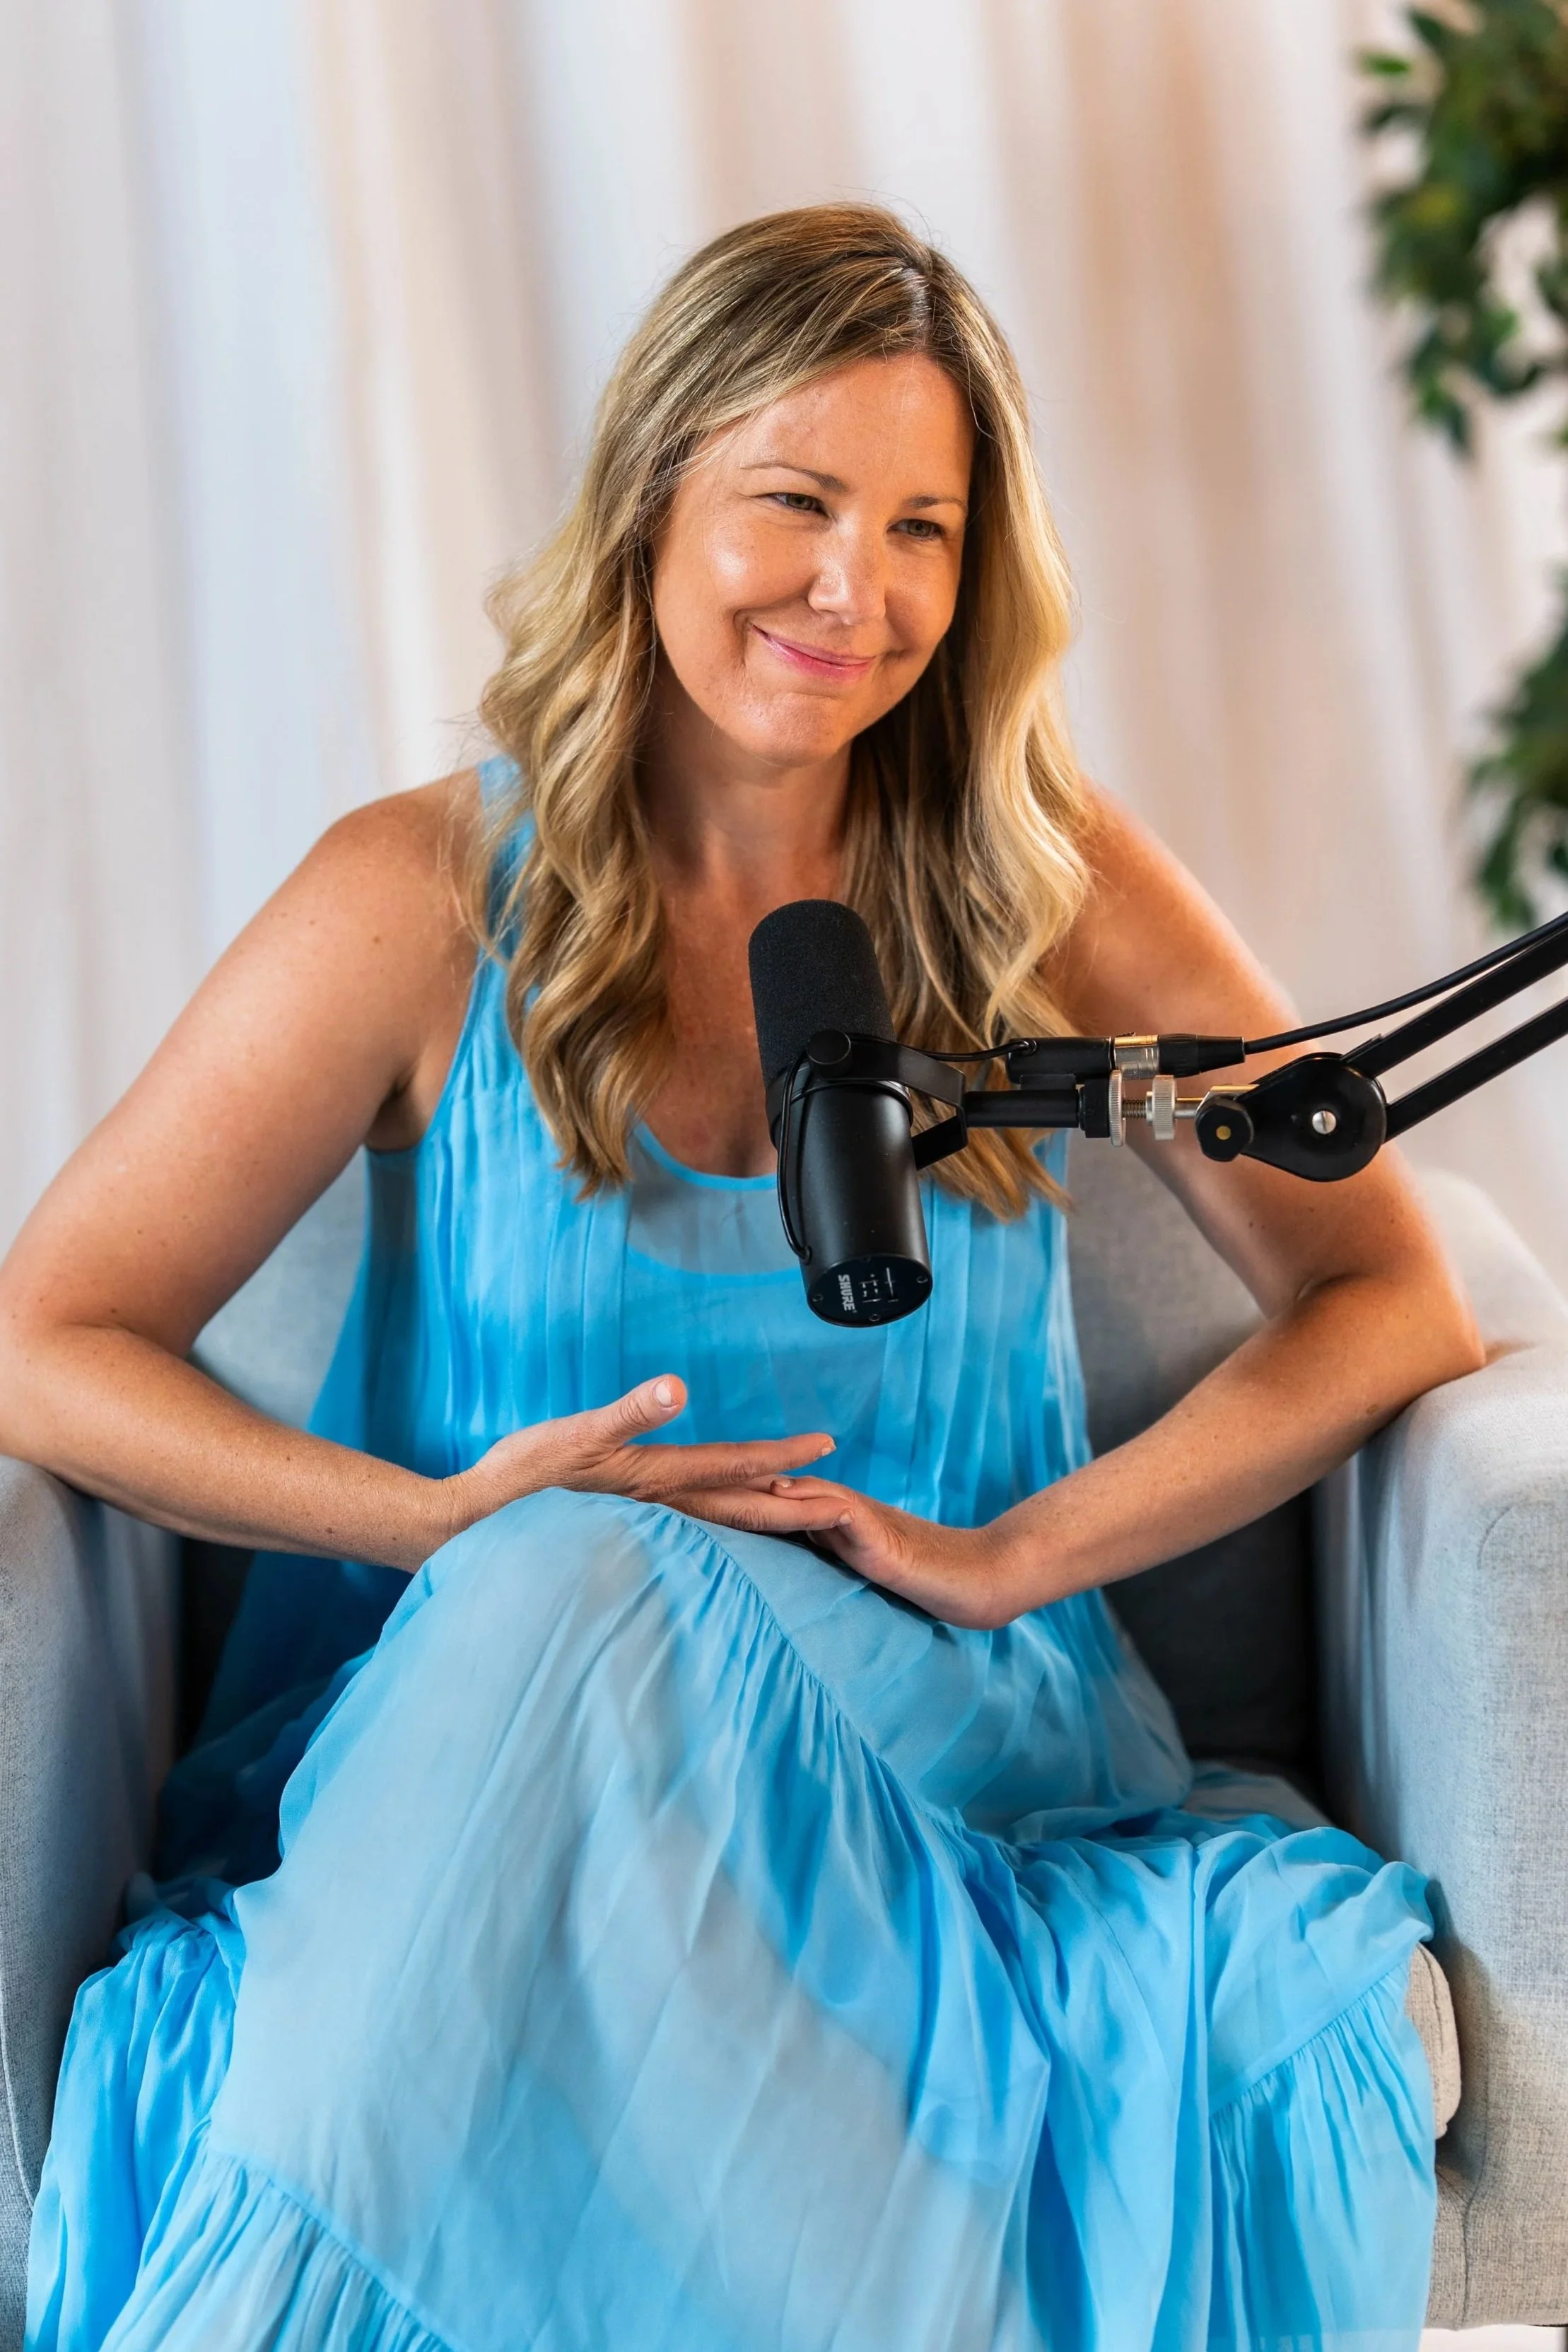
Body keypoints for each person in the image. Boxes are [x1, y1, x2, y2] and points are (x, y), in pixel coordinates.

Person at [0, 204, 1481, 2351]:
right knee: (567, 1582)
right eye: (793, 502)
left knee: (579, 1584)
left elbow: (1392, 1294)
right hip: (494, 1731)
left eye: (921, 529)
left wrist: (1015, 1551)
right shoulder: (416, 901)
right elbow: (47, 1338)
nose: (853, 593)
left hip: (947, 1739)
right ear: (654, 495)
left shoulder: (1040, 885)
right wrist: (441, 1521)